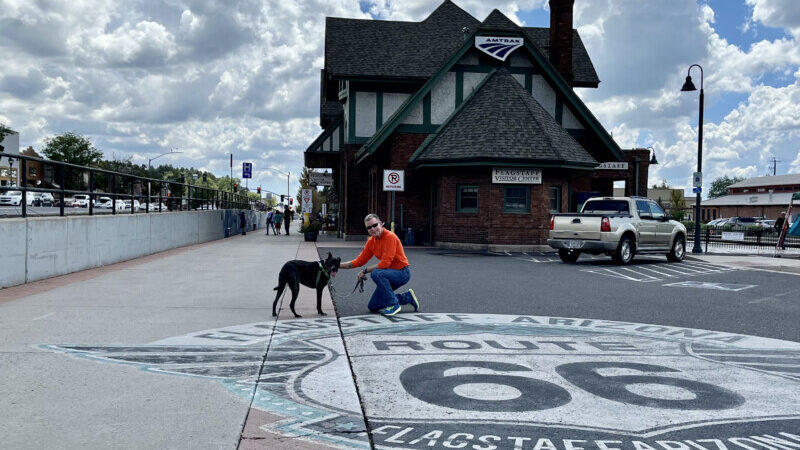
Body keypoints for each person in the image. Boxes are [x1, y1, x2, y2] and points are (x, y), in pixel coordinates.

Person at [339, 213, 419, 316]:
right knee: (373, 306)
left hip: (402, 273)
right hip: (388, 275)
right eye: (369, 227)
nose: (372, 229)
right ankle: (407, 297)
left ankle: (394, 305)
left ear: (380, 224)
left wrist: (365, 271)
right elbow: (359, 261)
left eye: (375, 225)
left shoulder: (390, 237)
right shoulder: (371, 242)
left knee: (376, 273)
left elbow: (385, 263)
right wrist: (336, 265)